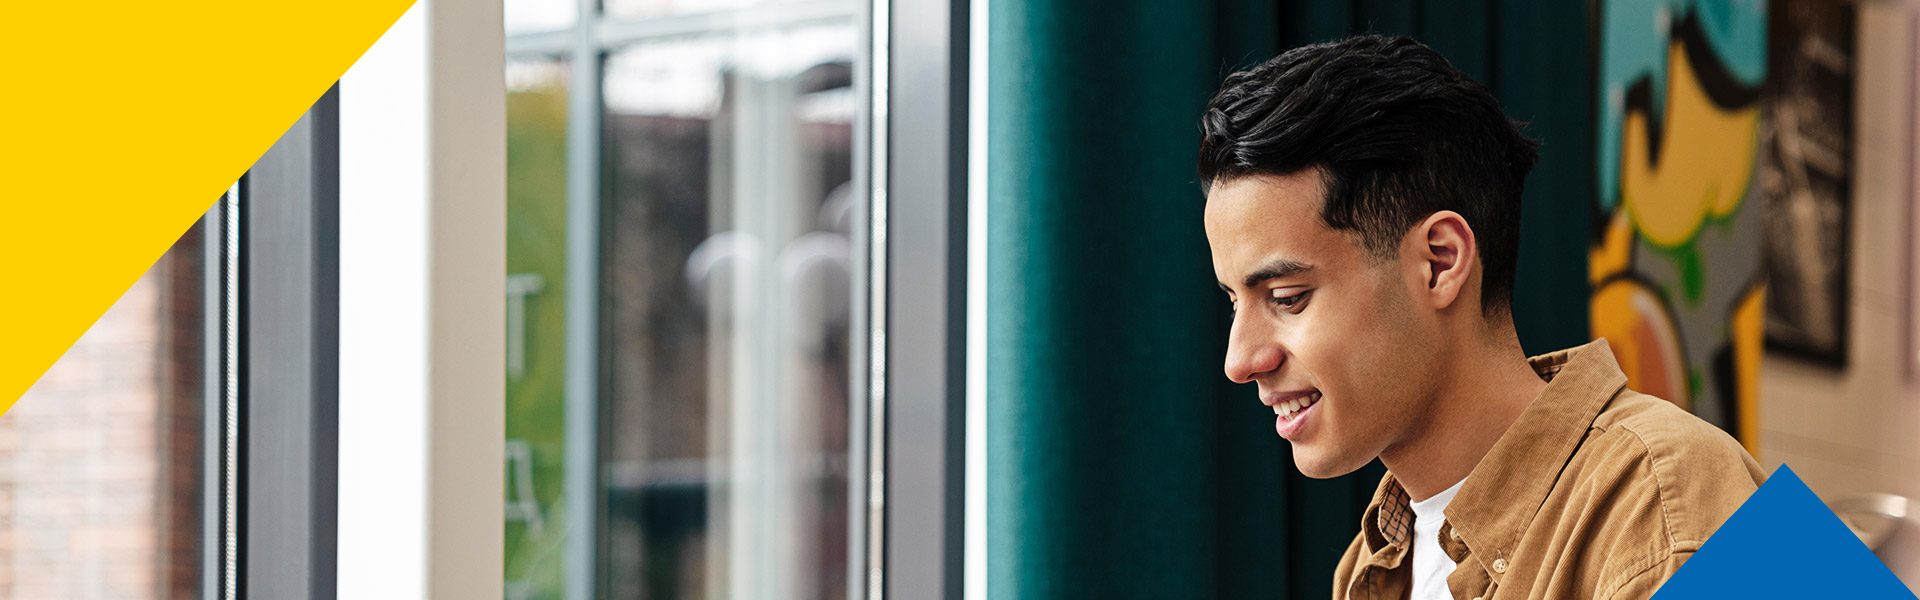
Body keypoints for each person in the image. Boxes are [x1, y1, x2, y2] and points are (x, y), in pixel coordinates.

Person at [1196, 35, 1764, 600]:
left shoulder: (1683, 491)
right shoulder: (1369, 565)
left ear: (1440, 262)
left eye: (1288, 296)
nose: (1240, 360)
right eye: (1233, 301)